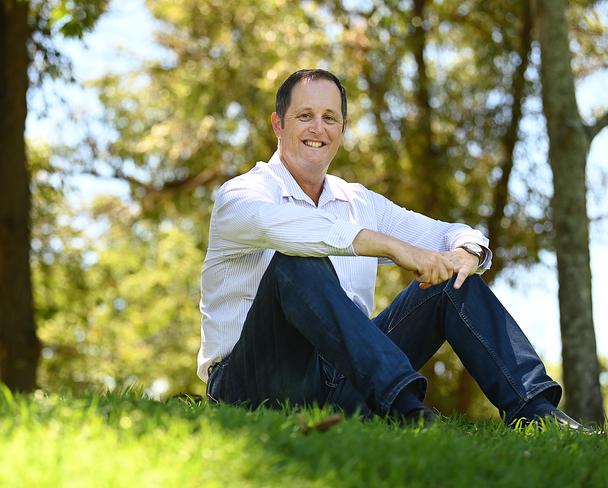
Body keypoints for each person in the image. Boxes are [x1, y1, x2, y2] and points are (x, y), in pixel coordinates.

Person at [198, 68, 581, 428]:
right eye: (305, 116)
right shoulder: (241, 195)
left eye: (330, 118)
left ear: (343, 130)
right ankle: (406, 409)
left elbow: (449, 234)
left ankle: (536, 412)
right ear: (278, 124)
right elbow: (294, 229)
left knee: (453, 283)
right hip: (253, 382)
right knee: (297, 263)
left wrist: (467, 253)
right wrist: (394, 248)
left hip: (348, 380)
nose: (318, 128)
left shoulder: (360, 202)